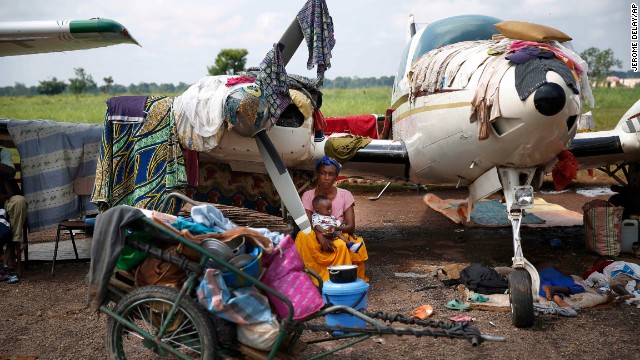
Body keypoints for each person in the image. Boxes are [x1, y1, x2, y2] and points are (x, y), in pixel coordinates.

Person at [295, 156, 368, 283]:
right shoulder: (308, 195)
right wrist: (320, 236)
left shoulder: (345, 195)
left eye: (331, 174)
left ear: (336, 176)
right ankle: (309, 280)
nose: (326, 178)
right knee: (302, 236)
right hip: (316, 231)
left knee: (340, 245)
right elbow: (309, 223)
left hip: (338, 232)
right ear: (317, 174)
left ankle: (337, 280)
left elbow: (351, 226)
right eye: (323, 173)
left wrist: (334, 228)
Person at [0, 147, 27, 280]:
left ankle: (12, 246)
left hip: (4, 198)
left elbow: (10, 173)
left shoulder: (3, 153)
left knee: (19, 202)